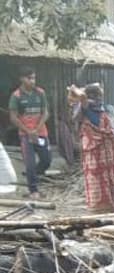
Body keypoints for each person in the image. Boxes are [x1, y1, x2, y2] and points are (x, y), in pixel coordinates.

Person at [70, 84, 114, 213]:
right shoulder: (93, 108)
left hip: (94, 149)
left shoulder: (87, 107)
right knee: (105, 176)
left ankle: (98, 205)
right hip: (103, 149)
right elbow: (80, 96)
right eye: (99, 95)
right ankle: (108, 204)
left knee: (95, 176)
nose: (100, 98)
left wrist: (76, 89)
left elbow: (77, 96)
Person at [8, 67, 51, 198]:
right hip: (26, 135)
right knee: (30, 163)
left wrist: (36, 129)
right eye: (29, 78)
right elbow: (13, 117)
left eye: (34, 78)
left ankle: (32, 176)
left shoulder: (40, 93)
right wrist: (28, 131)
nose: (33, 81)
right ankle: (33, 190)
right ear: (22, 79)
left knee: (46, 160)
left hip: (41, 133)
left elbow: (45, 112)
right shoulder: (16, 96)